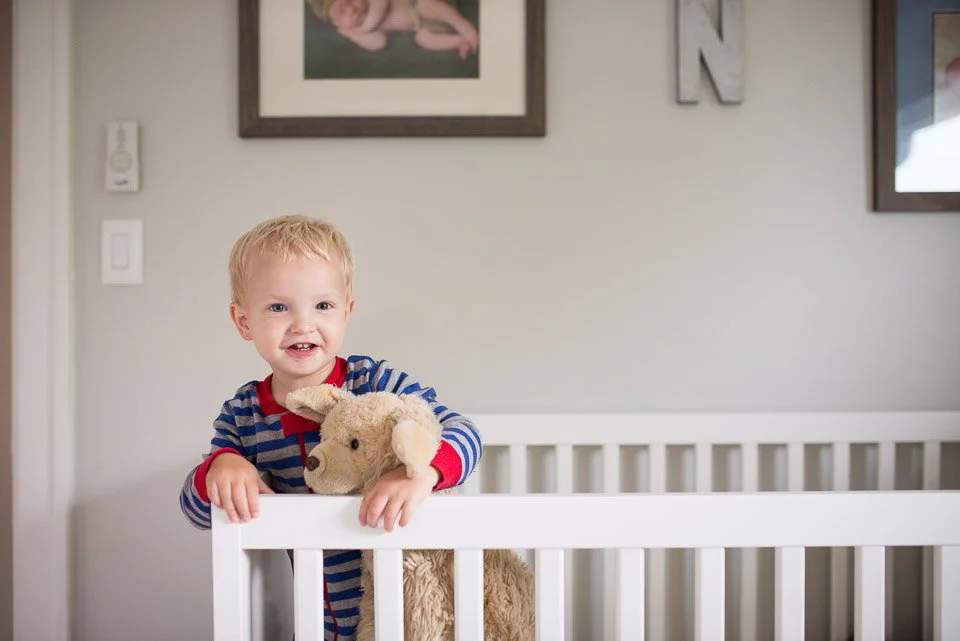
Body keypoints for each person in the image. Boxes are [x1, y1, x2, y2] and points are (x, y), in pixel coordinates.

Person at [178, 214, 482, 641]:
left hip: (414, 613)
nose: (303, 324)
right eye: (279, 307)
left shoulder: (375, 382)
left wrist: (420, 472)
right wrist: (222, 466)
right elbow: (195, 512)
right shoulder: (244, 415)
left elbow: (464, 432)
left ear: (346, 313)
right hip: (323, 624)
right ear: (244, 321)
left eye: (322, 306)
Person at [308, 0, 479, 60]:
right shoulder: (357, 29)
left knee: (425, 4)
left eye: (350, 0)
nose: (351, 9)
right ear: (338, 25)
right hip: (421, 25)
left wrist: (366, 27)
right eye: (342, 12)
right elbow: (379, 43)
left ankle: (461, 24)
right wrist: (351, 34)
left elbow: (381, 5)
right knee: (423, 39)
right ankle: (459, 41)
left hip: (422, 4)